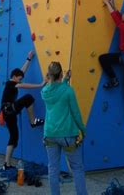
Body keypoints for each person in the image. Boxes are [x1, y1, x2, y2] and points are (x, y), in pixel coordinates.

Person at [41, 62, 87, 195]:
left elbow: (56, 92)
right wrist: (83, 130)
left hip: (49, 135)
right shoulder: (68, 91)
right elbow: (75, 113)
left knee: (53, 169)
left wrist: (65, 80)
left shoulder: (44, 92)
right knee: (77, 168)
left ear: (49, 75)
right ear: (61, 74)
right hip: (67, 135)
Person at [0, 51, 45, 170]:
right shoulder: (11, 84)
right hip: (9, 110)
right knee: (28, 98)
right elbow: (23, 86)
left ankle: (6, 164)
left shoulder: (14, 79)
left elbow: (22, 71)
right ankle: (33, 121)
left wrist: (28, 59)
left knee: (14, 137)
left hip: (8, 113)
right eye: (19, 79)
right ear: (14, 77)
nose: (21, 80)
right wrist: (40, 85)